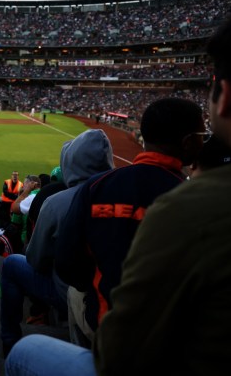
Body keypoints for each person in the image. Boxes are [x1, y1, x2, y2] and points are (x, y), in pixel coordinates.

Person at [5, 17, 231, 376]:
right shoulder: (183, 190)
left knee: (25, 350)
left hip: (140, 352)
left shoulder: (173, 203)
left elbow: (71, 271)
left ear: (225, 98)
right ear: (190, 143)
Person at [55, 97, 205, 343]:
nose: (203, 140)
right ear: (188, 143)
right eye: (202, 134)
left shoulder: (96, 186)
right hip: (169, 342)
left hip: (107, 328)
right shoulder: (198, 198)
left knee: (26, 350)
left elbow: (66, 263)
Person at [1, 129, 114, 357]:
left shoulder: (57, 201)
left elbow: (35, 259)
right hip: (121, 299)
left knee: (12, 265)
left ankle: (11, 345)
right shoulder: (123, 195)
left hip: (72, 294)